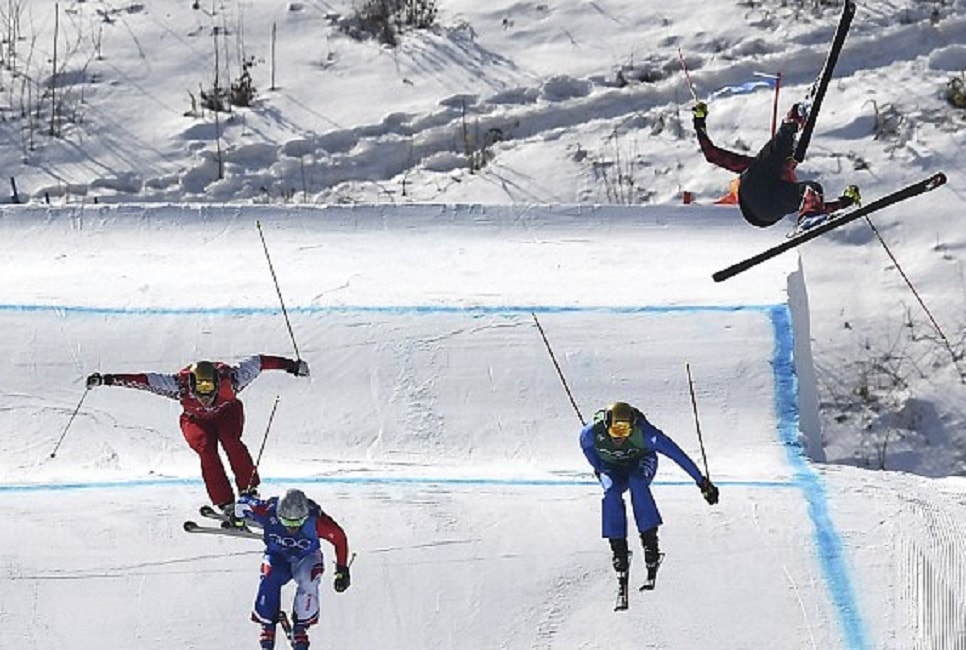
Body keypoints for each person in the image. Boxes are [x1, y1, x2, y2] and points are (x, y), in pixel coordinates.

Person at [85, 355, 309, 513]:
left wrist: (292, 366)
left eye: (210, 394)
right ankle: (224, 501)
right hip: (195, 419)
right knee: (206, 451)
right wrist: (106, 379)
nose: (206, 399)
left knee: (231, 442)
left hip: (227, 412)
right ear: (191, 386)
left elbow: (260, 362)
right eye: (201, 395)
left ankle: (248, 490)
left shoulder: (233, 379)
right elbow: (142, 381)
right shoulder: (176, 385)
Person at [580, 401, 719, 577]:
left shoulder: (645, 434)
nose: (619, 437)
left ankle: (650, 542)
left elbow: (676, 454)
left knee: (637, 483)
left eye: (625, 431)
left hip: (640, 463)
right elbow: (587, 449)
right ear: (606, 425)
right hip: (611, 468)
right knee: (611, 493)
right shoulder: (590, 433)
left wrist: (702, 482)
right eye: (615, 431)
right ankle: (618, 547)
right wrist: (599, 468)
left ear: (633, 427)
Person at [692, 100, 861, 230]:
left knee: (812, 190)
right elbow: (712, 155)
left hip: (767, 212)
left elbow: (820, 206)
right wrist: (699, 123)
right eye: (789, 161)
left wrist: (846, 201)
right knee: (771, 160)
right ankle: (791, 123)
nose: (790, 164)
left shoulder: (786, 185)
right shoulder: (762, 167)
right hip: (753, 196)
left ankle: (809, 219)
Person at [236, 488, 351, 650]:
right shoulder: (267, 510)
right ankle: (267, 623)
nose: (292, 528)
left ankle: (301, 625)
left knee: (309, 579)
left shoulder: (317, 521)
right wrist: (238, 518)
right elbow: (242, 504)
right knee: (269, 576)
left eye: (298, 522)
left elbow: (339, 539)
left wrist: (342, 569)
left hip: (306, 556)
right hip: (278, 556)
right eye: (287, 523)